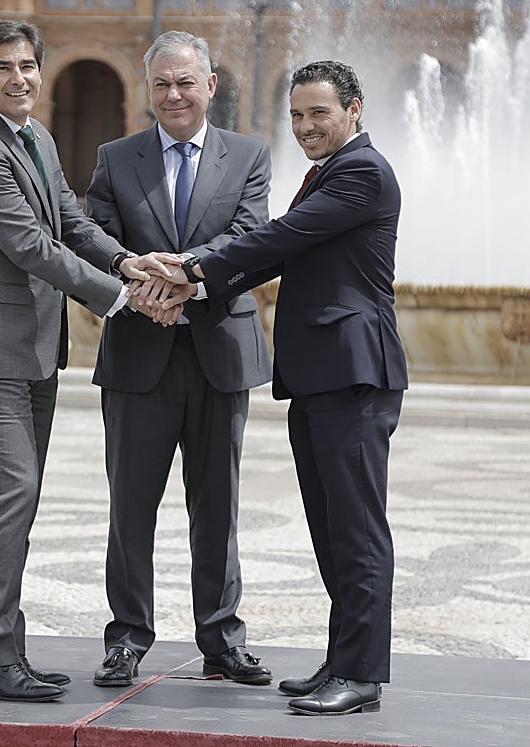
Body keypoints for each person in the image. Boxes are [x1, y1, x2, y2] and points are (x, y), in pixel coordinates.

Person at [148, 61, 408, 716]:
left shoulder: (363, 172)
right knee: (330, 526)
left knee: (357, 529)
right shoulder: (328, 172)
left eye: (319, 113)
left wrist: (192, 267)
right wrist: (198, 289)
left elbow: (281, 237)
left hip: (354, 373)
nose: (305, 126)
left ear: (354, 108)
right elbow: (279, 254)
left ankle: (361, 674)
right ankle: (343, 660)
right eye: (296, 115)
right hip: (321, 375)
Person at [0, 18, 173, 704]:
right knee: (14, 491)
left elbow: (69, 221)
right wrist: (121, 297)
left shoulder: (35, 137)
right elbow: (28, 246)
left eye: (28, 66)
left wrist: (126, 261)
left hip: (34, 347)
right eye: (3, 68)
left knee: (10, 497)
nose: (19, 78)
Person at [85, 30, 274, 689]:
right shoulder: (116, 158)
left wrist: (188, 275)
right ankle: (127, 639)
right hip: (139, 355)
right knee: (130, 508)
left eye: (186, 82)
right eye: (162, 83)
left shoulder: (248, 155)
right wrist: (141, 282)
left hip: (220, 352)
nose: (174, 95)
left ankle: (222, 640)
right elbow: (95, 236)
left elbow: (250, 235)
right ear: (148, 89)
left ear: (210, 86)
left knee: (218, 506)